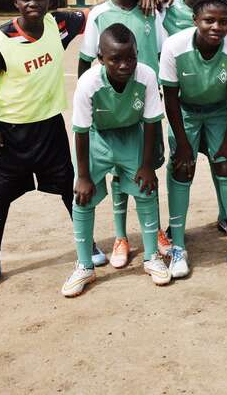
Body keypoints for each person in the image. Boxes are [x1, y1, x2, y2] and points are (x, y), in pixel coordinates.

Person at [0, 0, 104, 291]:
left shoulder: (60, 25)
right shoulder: (2, 37)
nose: (33, 4)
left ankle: (87, 246)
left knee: (69, 189)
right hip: (11, 131)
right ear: (15, 2)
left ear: (51, 1)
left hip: (50, 127)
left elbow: (98, 13)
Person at [62, 25, 170, 297]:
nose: (124, 65)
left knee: (146, 191)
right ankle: (84, 265)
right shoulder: (89, 82)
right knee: (82, 198)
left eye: (130, 57)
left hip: (132, 136)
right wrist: (84, 176)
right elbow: (81, 131)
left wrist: (147, 166)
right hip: (98, 139)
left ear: (136, 53)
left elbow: (151, 123)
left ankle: (151, 257)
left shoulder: (146, 76)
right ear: (100, 58)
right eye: (115, 59)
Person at [77, 0, 169, 268]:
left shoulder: (151, 11)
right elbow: (86, 61)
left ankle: (153, 231)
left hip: (142, 105)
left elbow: (161, 50)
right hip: (109, 108)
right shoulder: (99, 14)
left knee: (146, 170)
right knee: (117, 175)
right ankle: (120, 236)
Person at [159, 0, 227, 275]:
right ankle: (177, 247)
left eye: (223, 22)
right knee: (182, 169)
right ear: (195, 20)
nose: (216, 27)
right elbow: (171, 99)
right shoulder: (174, 47)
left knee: (225, 165)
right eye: (209, 21)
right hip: (185, 111)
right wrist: (184, 144)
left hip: (220, 112)